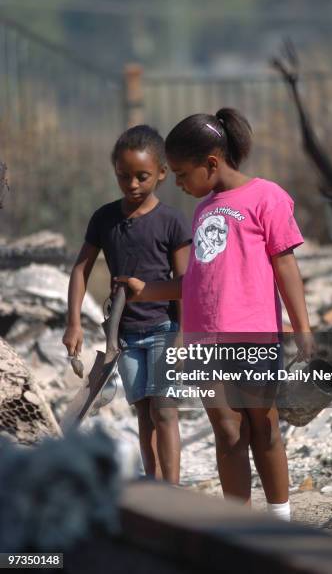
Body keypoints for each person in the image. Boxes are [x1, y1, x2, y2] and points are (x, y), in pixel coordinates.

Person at [115, 108, 315, 521]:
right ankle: (240, 529)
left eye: (183, 174)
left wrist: (303, 327)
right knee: (227, 432)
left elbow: (285, 266)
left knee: (264, 427)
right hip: (207, 342)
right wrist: (146, 291)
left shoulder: (267, 197)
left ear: (211, 163)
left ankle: (280, 521)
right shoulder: (204, 209)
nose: (181, 184)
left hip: (254, 337)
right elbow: (198, 282)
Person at [63, 125, 191, 484]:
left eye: (142, 176)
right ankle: (154, 484)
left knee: (165, 412)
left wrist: (183, 336)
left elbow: (186, 285)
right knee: (145, 415)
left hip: (166, 330)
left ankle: (173, 492)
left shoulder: (172, 222)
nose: (132, 184)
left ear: (162, 173)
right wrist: (73, 322)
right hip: (125, 336)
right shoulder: (105, 219)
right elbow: (80, 270)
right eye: (124, 176)